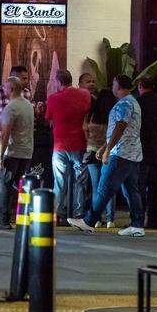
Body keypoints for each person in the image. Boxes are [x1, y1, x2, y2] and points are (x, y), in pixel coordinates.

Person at [70, 75, 146, 236]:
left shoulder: (124, 104)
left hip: (120, 153)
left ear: (118, 87)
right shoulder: (133, 102)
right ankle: (137, 224)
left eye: (113, 84)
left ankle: (89, 221)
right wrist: (105, 147)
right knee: (132, 190)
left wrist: (107, 150)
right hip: (132, 153)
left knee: (104, 188)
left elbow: (120, 127)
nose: (112, 87)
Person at [45, 69, 92, 222]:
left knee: (60, 180)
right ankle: (78, 213)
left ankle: (58, 213)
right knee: (80, 180)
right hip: (80, 143)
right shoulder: (85, 94)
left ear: (59, 82)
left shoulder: (53, 98)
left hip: (60, 145)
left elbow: (48, 118)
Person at [0, 77, 34, 229]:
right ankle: (19, 217)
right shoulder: (28, 105)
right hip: (26, 151)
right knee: (18, 186)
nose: (4, 91)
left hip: (12, 152)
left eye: (5, 88)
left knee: (4, 186)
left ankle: (2, 220)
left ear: (12, 89)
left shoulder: (10, 108)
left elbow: (5, 134)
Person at [0, 65, 31, 173]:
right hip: (1, 141)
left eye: (27, 78)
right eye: (24, 78)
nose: (26, 81)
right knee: (4, 178)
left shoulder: (26, 93)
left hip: (21, 142)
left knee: (21, 178)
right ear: (14, 78)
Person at [136, 77, 157, 229]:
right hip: (156, 149)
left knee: (140, 186)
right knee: (154, 187)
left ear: (140, 86)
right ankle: (153, 219)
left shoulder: (137, 103)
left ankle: (139, 218)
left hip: (141, 150)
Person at [85, 82, 118, 226]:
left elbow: (85, 129)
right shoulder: (113, 116)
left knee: (96, 187)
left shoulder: (93, 115)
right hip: (108, 153)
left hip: (92, 152)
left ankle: (97, 218)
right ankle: (110, 219)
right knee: (109, 187)